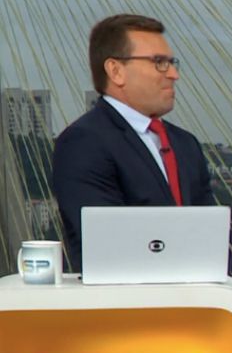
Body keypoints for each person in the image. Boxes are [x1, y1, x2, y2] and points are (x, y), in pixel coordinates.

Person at [52, 14, 215, 271]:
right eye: (159, 62)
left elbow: (215, 241)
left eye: (172, 62)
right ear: (116, 71)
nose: (174, 74)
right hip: (130, 307)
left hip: (197, 304)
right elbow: (109, 248)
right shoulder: (83, 143)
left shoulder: (186, 145)